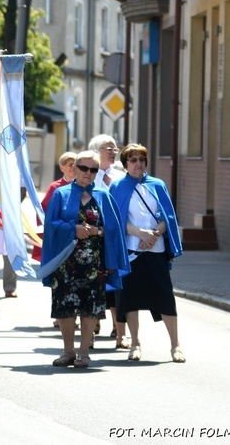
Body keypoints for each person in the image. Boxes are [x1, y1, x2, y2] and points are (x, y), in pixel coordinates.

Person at [40, 151, 130, 368]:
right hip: (65, 263)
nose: (88, 173)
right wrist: (74, 229)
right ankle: (68, 351)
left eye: (93, 170)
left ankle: (84, 353)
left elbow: (114, 230)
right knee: (66, 306)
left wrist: (96, 233)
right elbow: (51, 226)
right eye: (84, 168)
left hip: (94, 263)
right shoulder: (61, 194)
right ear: (75, 168)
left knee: (91, 307)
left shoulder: (103, 195)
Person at [109, 144, 186, 363]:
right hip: (132, 251)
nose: (138, 164)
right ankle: (135, 343)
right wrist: (140, 233)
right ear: (125, 164)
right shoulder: (117, 187)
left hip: (157, 249)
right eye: (133, 160)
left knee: (165, 298)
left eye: (141, 159)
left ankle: (175, 345)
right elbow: (116, 220)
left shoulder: (157, 185)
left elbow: (168, 216)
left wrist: (155, 233)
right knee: (131, 299)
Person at [89, 134, 128, 348]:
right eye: (108, 148)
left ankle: (117, 325)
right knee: (94, 280)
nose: (113, 152)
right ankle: (92, 324)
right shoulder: (88, 174)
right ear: (96, 151)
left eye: (115, 148)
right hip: (93, 235)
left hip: (115, 236)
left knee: (114, 278)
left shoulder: (120, 176)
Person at [32, 152, 77, 263]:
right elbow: (44, 210)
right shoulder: (55, 187)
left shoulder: (83, 186)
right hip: (59, 231)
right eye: (70, 164)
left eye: (75, 164)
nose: (73, 167)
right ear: (62, 167)